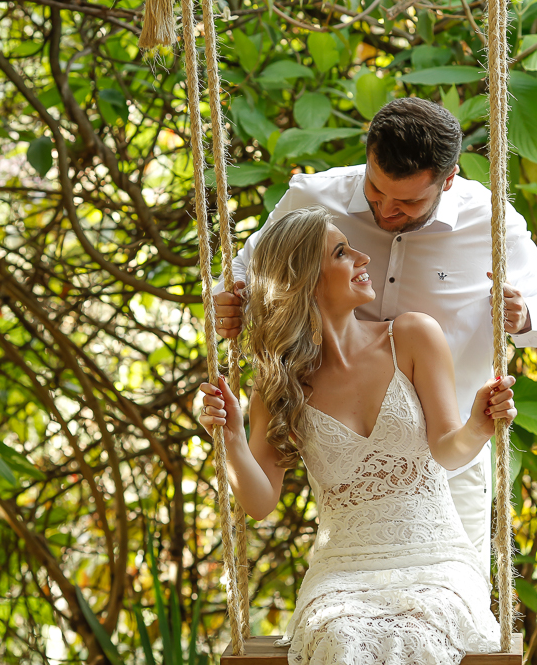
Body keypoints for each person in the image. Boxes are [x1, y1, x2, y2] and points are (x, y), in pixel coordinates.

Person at [213, 97, 537, 576]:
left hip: (452, 461)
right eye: (376, 190)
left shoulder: (490, 221)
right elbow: (250, 270)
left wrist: (524, 314)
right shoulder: (315, 200)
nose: (385, 210)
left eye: (408, 202)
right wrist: (228, 300)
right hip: (345, 487)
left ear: (448, 179)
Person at [199, 206, 516, 664]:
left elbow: (449, 450)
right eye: (342, 253)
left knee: (418, 632)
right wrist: (229, 437)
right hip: (342, 572)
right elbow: (260, 501)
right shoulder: (278, 382)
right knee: (342, 638)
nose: (364, 257)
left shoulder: (411, 335)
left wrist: (478, 425)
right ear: (303, 279)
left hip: (435, 560)